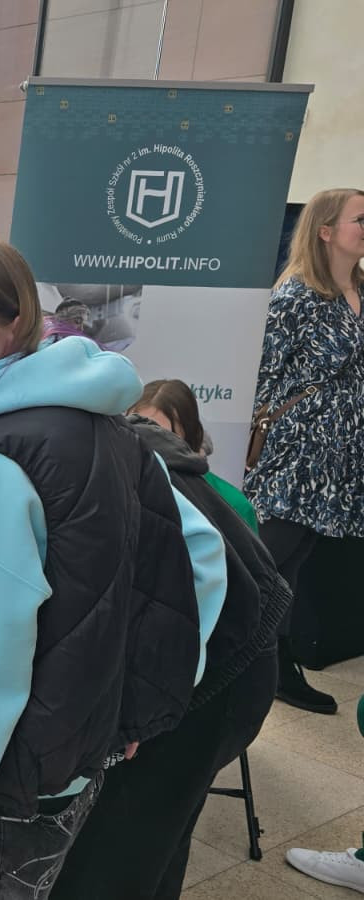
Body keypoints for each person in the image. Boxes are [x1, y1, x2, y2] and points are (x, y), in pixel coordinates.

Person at [0, 238, 227, 898]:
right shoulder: (111, 430)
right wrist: (134, 705)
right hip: (69, 769)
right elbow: (197, 557)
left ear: (14, 327)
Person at [52, 411, 287, 899]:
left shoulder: (81, 450)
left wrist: (138, 704)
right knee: (155, 844)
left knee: (116, 859)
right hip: (230, 653)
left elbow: (202, 571)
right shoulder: (96, 434)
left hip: (221, 668)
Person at [243, 187, 364, 716]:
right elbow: (263, 376)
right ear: (325, 231)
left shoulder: (359, 289)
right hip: (296, 451)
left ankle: (276, 659)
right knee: (269, 558)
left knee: (295, 562)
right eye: (360, 218)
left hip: (338, 453)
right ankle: (242, 659)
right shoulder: (296, 296)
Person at [130, 378, 259, 532]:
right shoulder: (112, 489)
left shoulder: (233, 504)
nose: (151, 444)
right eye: (139, 430)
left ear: (191, 435)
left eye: (162, 435)